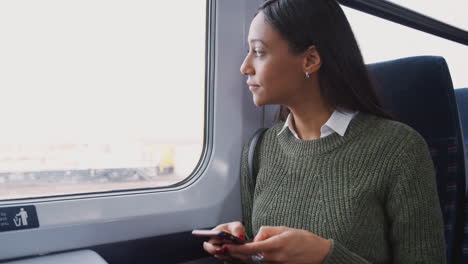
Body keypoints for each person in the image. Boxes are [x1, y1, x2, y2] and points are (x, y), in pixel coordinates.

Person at [203, 0, 446, 263]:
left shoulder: (400, 149)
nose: (245, 67)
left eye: (259, 52)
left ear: (310, 60)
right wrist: (242, 251)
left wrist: (325, 256)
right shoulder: (259, 149)